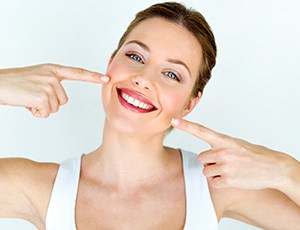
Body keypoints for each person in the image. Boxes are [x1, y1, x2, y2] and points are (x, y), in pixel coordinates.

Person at [0, 2, 299, 229]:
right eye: (135, 56)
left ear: (189, 104)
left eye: (171, 73)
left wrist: (286, 171)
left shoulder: (215, 185)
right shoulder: (41, 187)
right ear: (110, 63)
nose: (144, 78)